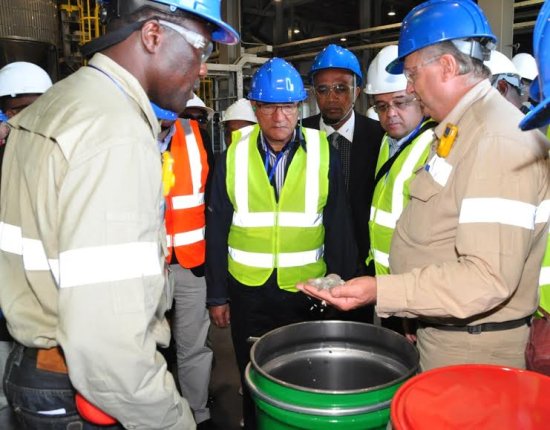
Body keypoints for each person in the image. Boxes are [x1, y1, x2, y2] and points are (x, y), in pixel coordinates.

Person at [0, 1, 238, 429]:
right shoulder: (115, 131)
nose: (203, 68)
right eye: (201, 48)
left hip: (34, 369)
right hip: (82, 389)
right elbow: (110, 350)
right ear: (153, 35)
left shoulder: (57, 105)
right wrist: (173, 421)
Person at [298, 0, 549, 372]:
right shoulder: (461, 130)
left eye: (412, 74)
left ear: (446, 66)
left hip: (471, 349)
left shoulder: (494, 139)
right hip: (445, 330)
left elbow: (486, 279)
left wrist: (381, 290)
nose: (410, 87)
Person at [205, 57, 357, 429]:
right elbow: (217, 226)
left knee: (304, 373)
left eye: (287, 107)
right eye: (269, 107)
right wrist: (217, 295)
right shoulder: (233, 154)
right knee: (252, 372)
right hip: (247, 291)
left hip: (305, 290)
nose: (279, 117)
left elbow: (337, 223)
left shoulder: (322, 151)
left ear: (299, 108)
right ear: (255, 109)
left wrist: (339, 284)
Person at [302, 44, 384, 323]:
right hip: (310, 257)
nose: (332, 98)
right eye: (323, 90)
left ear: (357, 91)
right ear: (314, 93)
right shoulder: (299, 135)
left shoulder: (379, 137)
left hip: (362, 263)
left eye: (341, 88)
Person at [364, 45, 437, 334]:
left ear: (419, 98)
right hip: (388, 284)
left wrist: (413, 306)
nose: (391, 114)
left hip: (416, 293)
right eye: (382, 106)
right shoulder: (388, 142)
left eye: (400, 102)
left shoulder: (436, 146)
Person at [152, 99, 216, 429]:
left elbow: (213, 199)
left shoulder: (195, 135)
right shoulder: (128, 133)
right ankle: (157, 416)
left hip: (192, 262)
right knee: (147, 347)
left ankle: (197, 414)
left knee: (194, 346)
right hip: (148, 265)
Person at [0, 61, 53, 414]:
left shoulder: (57, 153)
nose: (24, 118)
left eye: (33, 108)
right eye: (16, 110)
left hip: (43, 306)